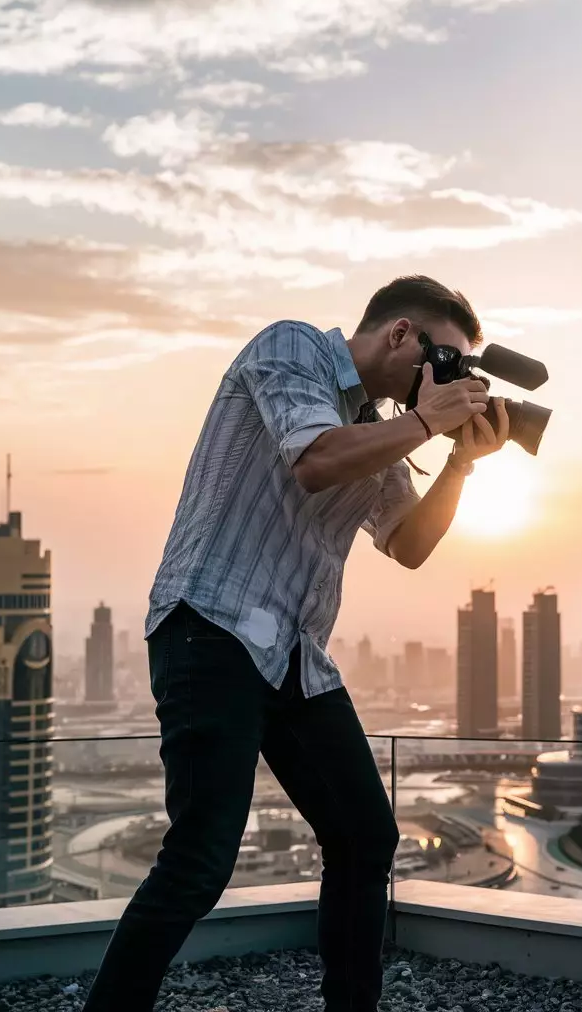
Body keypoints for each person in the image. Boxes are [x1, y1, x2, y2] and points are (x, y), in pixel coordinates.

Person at [82, 275, 509, 1012]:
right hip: (210, 627)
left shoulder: (379, 425)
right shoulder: (292, 348)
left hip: (294, 658)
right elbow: (314, 459)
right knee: (200, 859)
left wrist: (461, 463)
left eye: (461, 371)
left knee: (365, 837)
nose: (447, 382)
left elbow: (406, 544)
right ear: (400, 334)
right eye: (444, 362)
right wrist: (427, 426)